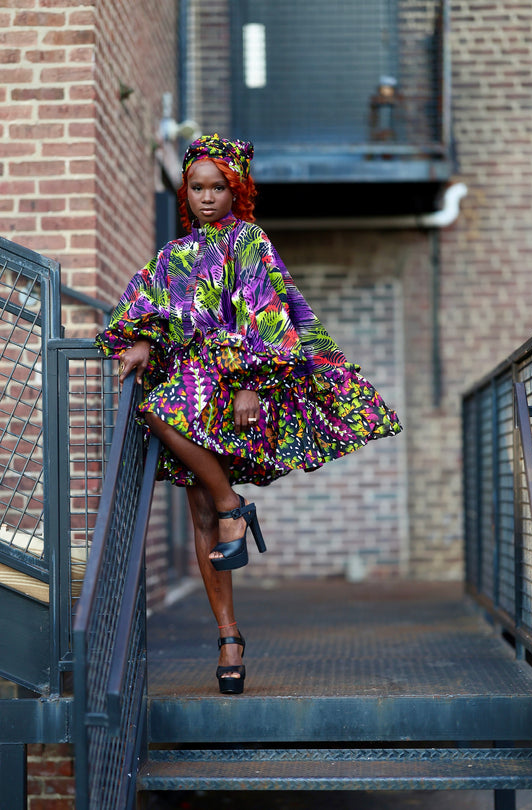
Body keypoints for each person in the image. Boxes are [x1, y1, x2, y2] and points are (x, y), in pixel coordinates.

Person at [96, 134, 402, 695]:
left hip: (229, 385)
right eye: (196, 187)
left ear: (236, 190)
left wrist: (248, 385)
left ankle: (234, 504)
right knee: (201, 514)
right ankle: (229, 636)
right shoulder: (172, 257)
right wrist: (137, 344)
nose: (206, 197)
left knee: (159, 416)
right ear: (184, 190)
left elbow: (266, 312)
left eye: (219, 187)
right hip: (189, 383)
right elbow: (147, 311)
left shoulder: (249, 241)